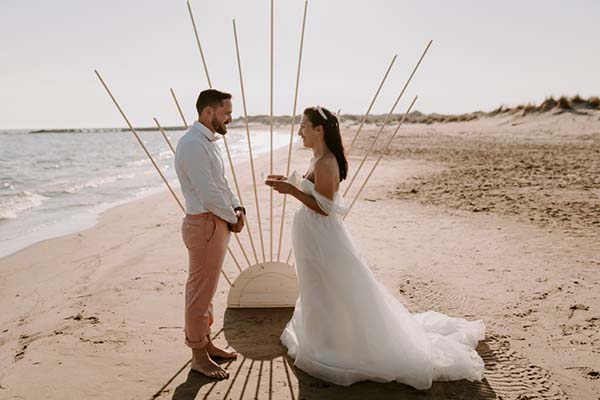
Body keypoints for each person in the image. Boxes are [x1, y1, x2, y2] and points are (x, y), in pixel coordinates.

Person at [265, 105, 485, 389]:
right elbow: (316, 191)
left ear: (318, 130)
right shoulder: (317, 158)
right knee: (319, 287)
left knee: (335, 287)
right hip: (313, 237)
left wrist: (292, 191)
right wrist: (290, 181)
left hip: (323, 237)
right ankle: (324, 339)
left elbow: (326, 207)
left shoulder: (325, 162)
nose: (299, 132)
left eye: (303, 126)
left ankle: (335, 348)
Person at [175, 89, 245, 379]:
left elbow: (221, 184)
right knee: (199, 294)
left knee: (208, 291)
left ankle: (207, 343)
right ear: (208, 112)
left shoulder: (208, 142)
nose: (230, 117)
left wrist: (238, 208)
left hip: (216, 221)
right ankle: (198, 356)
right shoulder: (192, 145)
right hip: (204, 223)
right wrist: (232, 218)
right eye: (226, 112)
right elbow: (208, 193)